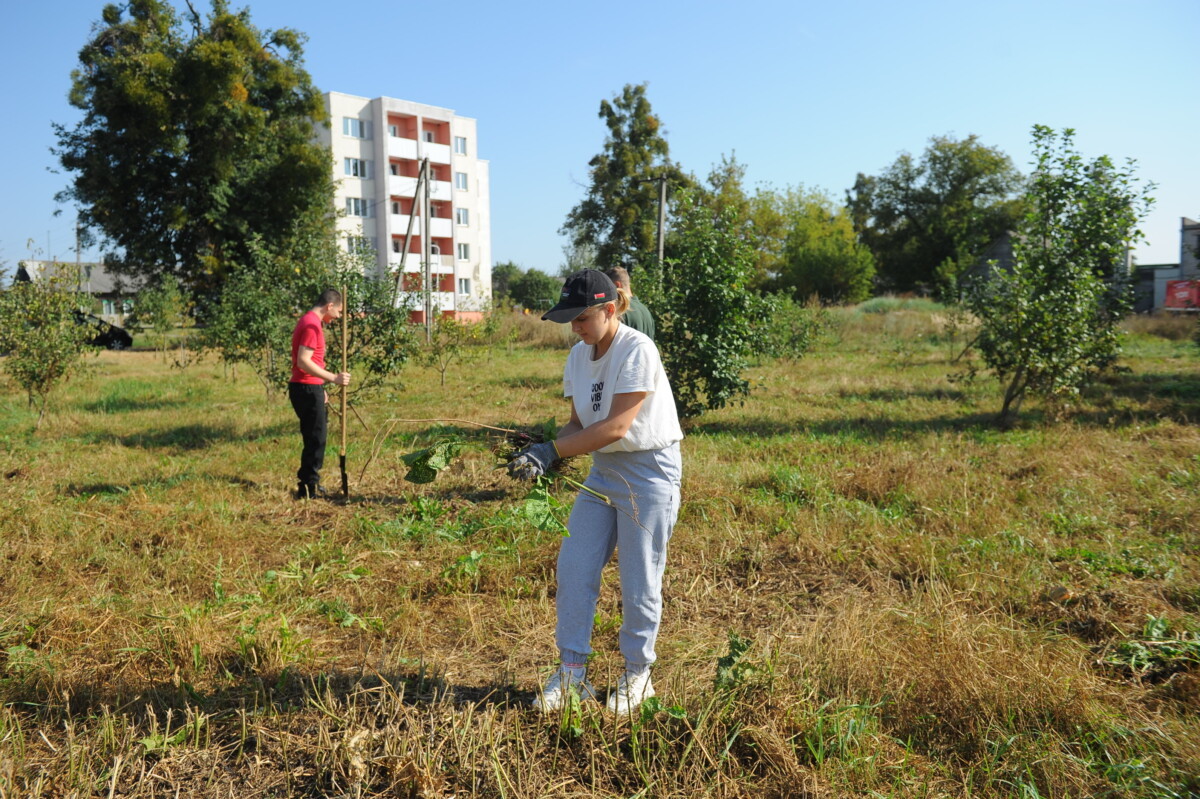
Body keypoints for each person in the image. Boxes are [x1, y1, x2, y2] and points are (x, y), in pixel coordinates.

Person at [508, 269, 683, 713]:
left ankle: (637, 676)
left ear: (609, 309)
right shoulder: (577, 356)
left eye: (582, 317)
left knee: (640, 578)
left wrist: (555, 450)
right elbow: (580, 425)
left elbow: (618, 426)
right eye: (570, 319)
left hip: (649, 473)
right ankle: (571, 674)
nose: (575, 327)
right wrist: (543, 446)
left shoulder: (637, 349)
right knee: (574, 569)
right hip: (604, 472)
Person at [289, 289, 351, 499]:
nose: (338, 317)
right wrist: (333, 378)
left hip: (309, 387)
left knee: (315, 438)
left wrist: (320, 388)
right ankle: (307, 488)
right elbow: (303, 361)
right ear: (329, 306)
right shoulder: (311, 325)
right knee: (316, 439)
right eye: (339, 312)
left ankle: (310, 482)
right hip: (305, 388)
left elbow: (310, 363)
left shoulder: (309, 321)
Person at [603, 265, 655, 340]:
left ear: (617, 285)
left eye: (608, 288)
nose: (606, 293)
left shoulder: (619, 311)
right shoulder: (645, 310)